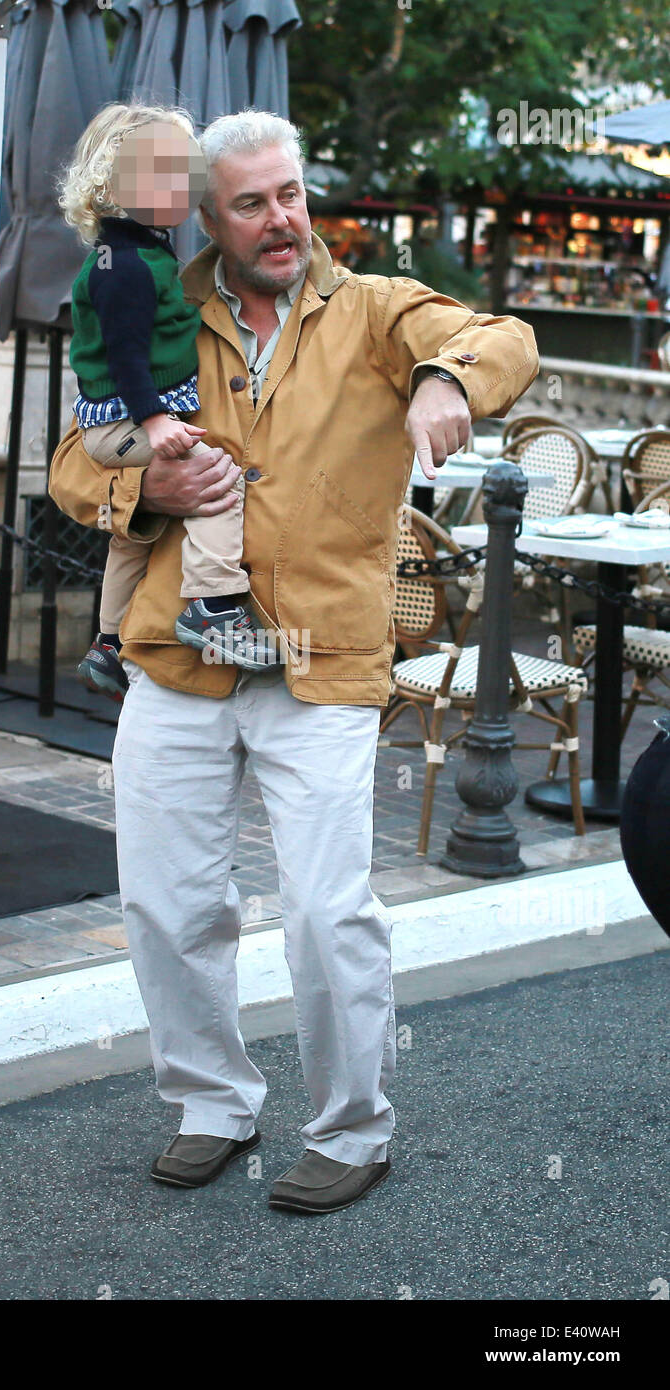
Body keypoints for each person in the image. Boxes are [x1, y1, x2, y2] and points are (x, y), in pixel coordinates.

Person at [49, 109, 539, 1215]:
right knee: (168, 902)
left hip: (322, 661)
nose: (281, 220)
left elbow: (506, 336)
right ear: (207, 219)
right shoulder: (160, 304)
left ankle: (354, 1128)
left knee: (326, 910)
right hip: (180, 654)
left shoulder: (372, 312)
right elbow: (74, 465)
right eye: (251, 203)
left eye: (291, 195)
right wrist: (143, 490)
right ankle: (213, 1102)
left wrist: (448, 379)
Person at [59, 103, 279, 702]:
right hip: (130, 418)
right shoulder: (127, 266)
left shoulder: (138, 253)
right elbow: (128, 356)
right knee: (215, 481)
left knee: (132, 534)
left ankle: (107, 642)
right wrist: (157, 423)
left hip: (123, 418)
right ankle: (211, 605)